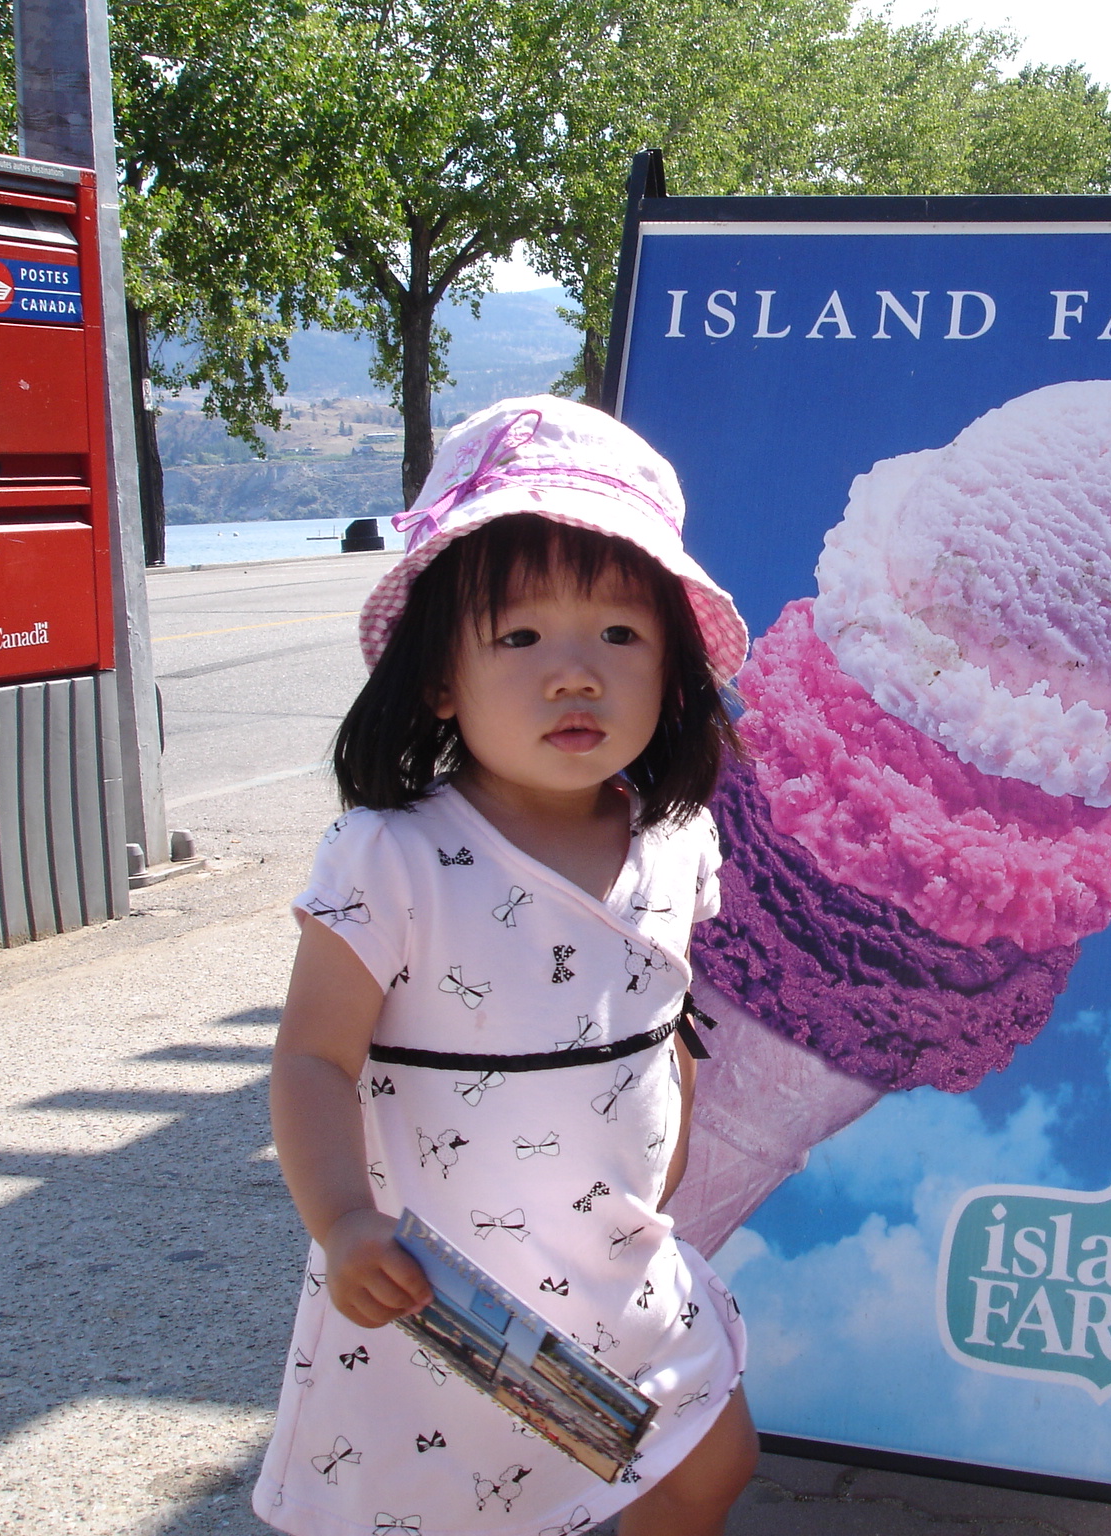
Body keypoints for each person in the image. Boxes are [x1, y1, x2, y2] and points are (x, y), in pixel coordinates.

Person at [253, 397, 758, 1536]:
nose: (575, 674)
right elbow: (313, 1059)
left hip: (617, 1259)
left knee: (703, 1461)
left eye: (618, 634)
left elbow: (666, 1011)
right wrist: (343, 1220)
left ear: (674, 670)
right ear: (439, 679)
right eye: (521, 639)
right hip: (445, 1286)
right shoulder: (390, 856)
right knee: (461, 1503)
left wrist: (671, 1146)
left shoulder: (677, 837)